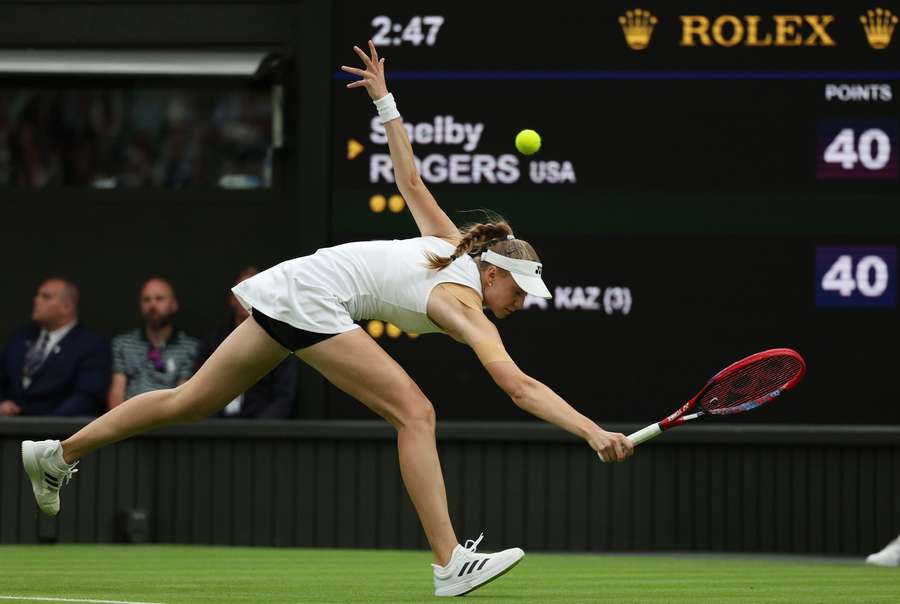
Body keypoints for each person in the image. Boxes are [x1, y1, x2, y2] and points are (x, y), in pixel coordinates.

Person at [21, 41, 634, 597]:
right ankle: (449, 562)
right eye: (520, 292)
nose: (521, 303)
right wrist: (590, 430)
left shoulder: (453, 247)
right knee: (416, 412)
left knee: (189, 400)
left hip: (295, 286)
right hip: (314, 298)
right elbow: (517, 384)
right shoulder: (463, 301)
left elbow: (410, 178)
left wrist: (385, 101)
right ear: (495, 272)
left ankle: (58, 453)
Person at [196, 266, 299, 419]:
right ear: (232, 298)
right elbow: (198, 391)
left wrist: (255, 432)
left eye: (255, 290)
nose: (247, 296)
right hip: (215, 432)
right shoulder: (213, 341)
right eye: (243, 290)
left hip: (260, 433)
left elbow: (283, 398)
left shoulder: (280, 343)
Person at [0, 278, 110, 416]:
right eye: (37, 295)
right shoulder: (20, 337)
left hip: (59, 432)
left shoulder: (92, 344)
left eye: (46, 297)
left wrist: (45, 426)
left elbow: (87, 396)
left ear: (67, 307)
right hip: (8, 429)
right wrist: (3, 403)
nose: (36, 300)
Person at [107, 278, 198, 408]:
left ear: (174, 305)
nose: (152, 305)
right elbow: (117, 393)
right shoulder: (122, 344)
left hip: (170, 420)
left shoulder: (190, 347)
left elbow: (183, 398)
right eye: (146, 300)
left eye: (159, 298)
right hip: (130, 419)